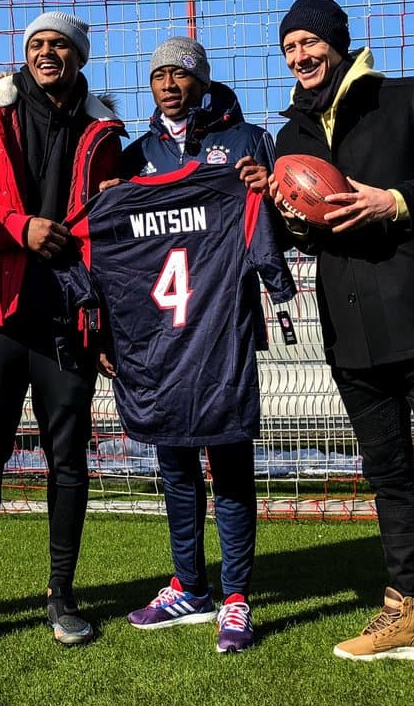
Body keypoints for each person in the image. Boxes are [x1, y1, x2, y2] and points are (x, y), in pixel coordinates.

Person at [269, 0, 414, 695]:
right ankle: (409, 609)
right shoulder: (290, 135)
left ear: (337, 43)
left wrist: (393, 201)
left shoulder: (408, 99)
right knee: (389, 476)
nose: (300, 56)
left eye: (309, 42)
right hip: (352, 330)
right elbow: (305, 236)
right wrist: (290, 217)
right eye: (289, 47)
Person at [0, 12, 125, 651]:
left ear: (79, 57)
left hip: (69, 318)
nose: (47, 53)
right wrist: (20, 229)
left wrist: (111, 322)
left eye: (59, 45)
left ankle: (62, 596)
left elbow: (119, 231)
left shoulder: (104, 132)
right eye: (37, 44)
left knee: (68, 459)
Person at [108, 37, 287, 652]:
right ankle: (189, 584)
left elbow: (277, 218)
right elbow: (116, 247)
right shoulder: (136, 156)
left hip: (222, 332)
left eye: (180, 74)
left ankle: (236, 595)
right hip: (158, 338)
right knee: (175, 464)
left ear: (202, 82)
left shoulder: (247, 141)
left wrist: (269, 190)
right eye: (158, 74)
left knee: (230, 463)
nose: (168, 84)